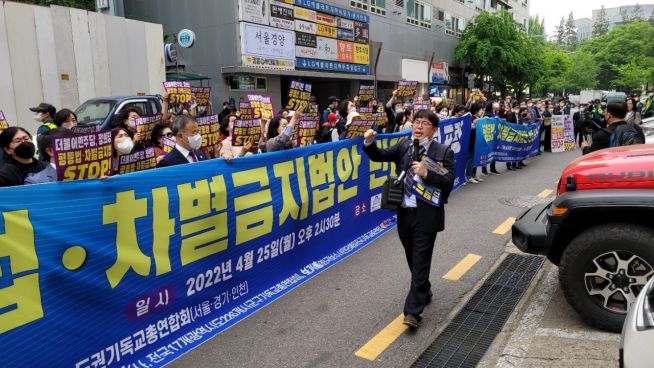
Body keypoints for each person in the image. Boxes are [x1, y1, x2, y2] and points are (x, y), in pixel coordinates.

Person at [361, 109, 455, 328]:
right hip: (404, 212)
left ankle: (412, 312)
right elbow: (380, 156)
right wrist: (369, 143)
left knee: (420, 259)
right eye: (416, 122)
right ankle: (424, 289)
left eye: (423, 123)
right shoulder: (404, 146)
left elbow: (449, 180)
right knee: (412, 256)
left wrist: (426, 173)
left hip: (428, 215)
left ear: (434, 129)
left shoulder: (443, 152)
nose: (418, 127)